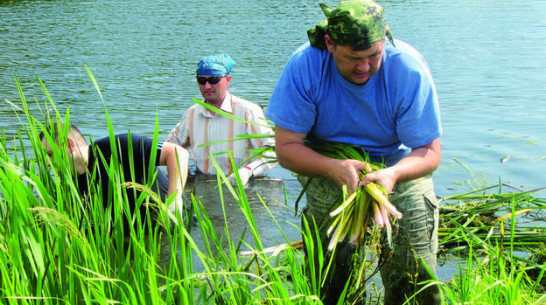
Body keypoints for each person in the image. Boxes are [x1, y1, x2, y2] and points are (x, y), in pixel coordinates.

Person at [266, 1, 442, 304]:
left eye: (374, 55)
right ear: (330, 44)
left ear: (384, 38)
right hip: (330, 167)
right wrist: (333, 168)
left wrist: (392, 174)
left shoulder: (407, 68)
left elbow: (429, 151)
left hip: (398, 169)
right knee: (333, 285)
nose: (364, 67)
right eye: (352, 58)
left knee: (416, 283)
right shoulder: (305, 66)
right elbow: (286, 149)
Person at [40, 122, 189, 233]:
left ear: (68, 145)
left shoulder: (118, 146)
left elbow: (178, 153)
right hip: (134, 234)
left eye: (50, 154)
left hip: (175, 226)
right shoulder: (71, 185)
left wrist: (174, 200)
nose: (47, 163)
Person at [166, 54, 275, 187]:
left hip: (243, 185)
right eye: (201, 80)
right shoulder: (192, 114)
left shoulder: (247, 111)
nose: (207, 86)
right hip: (204, 183)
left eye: (213, 80)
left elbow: (273, 151)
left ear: (228, 80)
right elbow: (171, 148)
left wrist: (247, 172)